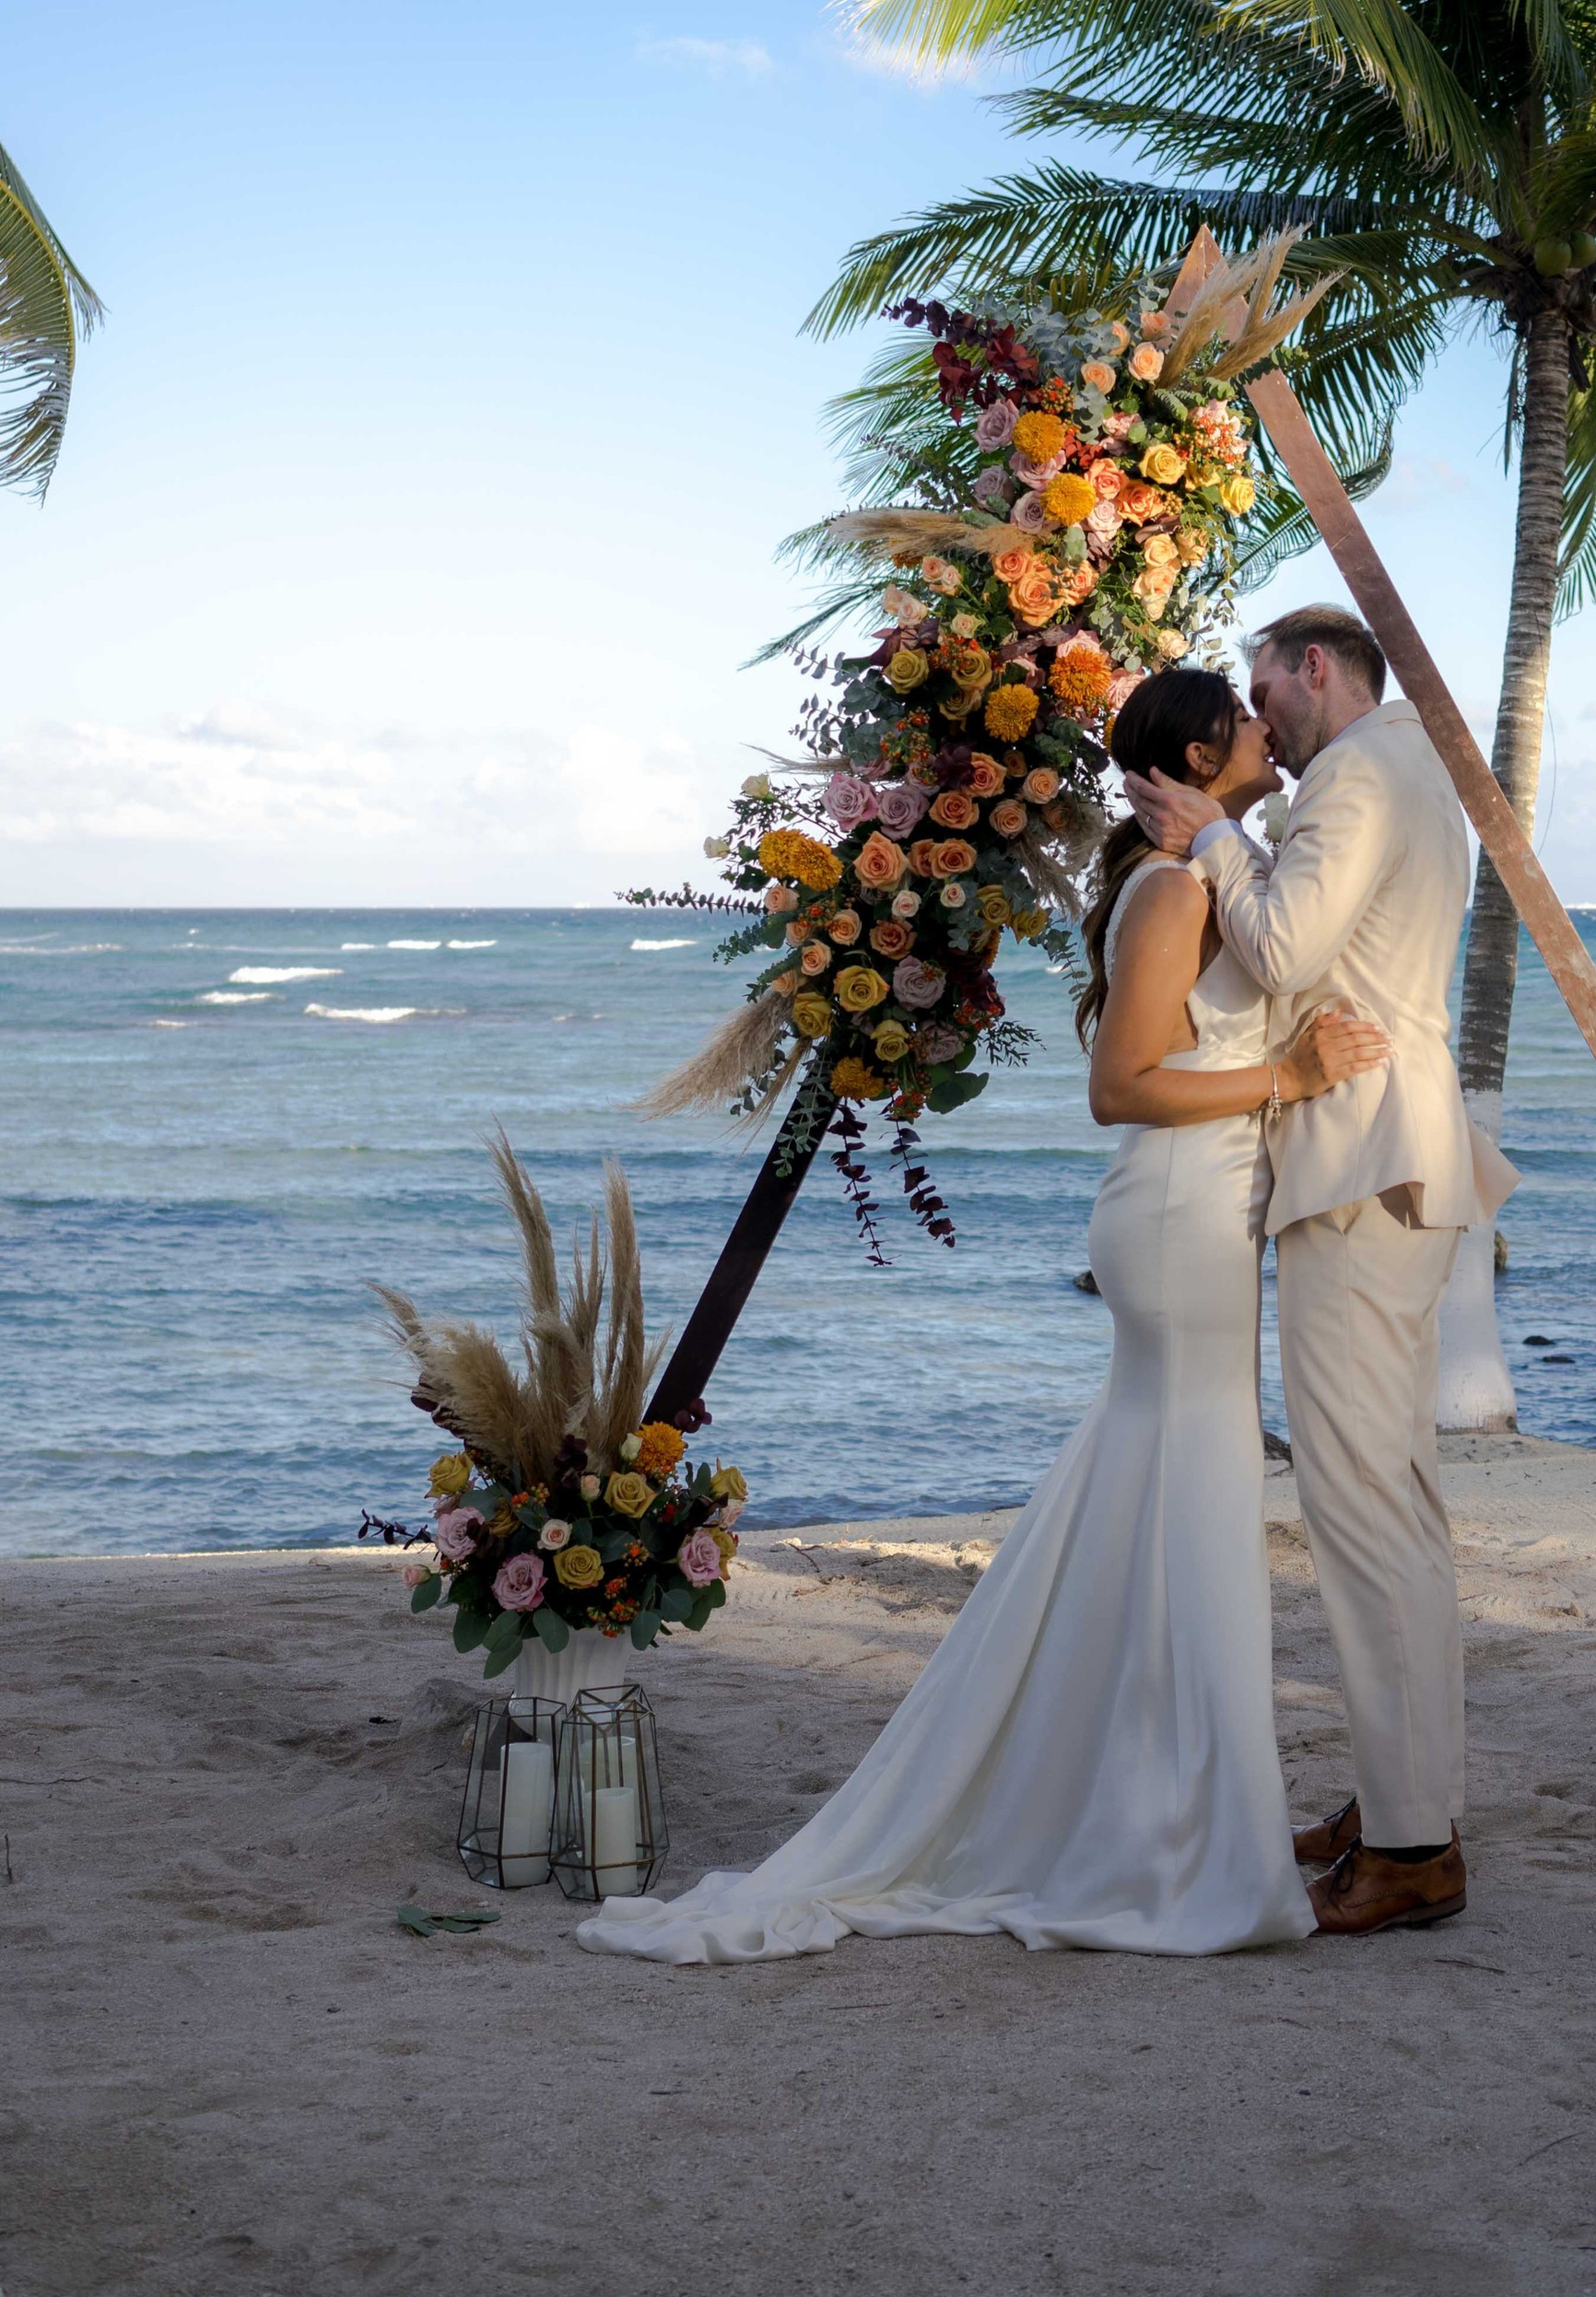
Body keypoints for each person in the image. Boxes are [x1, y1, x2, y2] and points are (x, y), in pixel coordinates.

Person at [576, 662, 1386, 1967]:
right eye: (1239, 722)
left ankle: (1155, 1810)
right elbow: (1121, 1088)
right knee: (1195, 1490)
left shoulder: (1205, 872)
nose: (1261, 731)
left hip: (1203, 1208)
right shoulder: (1176, 889)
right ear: (1193, 756)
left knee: (1161, 1495)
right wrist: (1289, 1071)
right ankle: (1174, 1838)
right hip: (1178, 1210)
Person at [1126, 604, 1518, 1940]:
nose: (1262, 725)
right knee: (1391, 1493)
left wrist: (1215, 838)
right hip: (1395, 1155)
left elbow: (1287, 951)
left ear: (1312, 670)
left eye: (1262, 691)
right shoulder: (1414, 769)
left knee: (1361, 1504)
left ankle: (1413, 1844)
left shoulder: (1359, 770)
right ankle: (1406, 1796)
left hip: (1360, 1160)